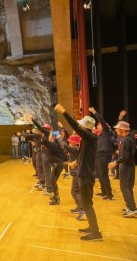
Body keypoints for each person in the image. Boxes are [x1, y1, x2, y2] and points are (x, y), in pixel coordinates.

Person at [54, 103, 102, 241]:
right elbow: (84, 155)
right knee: (87, 203)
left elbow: (74, 126)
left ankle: (96, 233)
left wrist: (64, 112)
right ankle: (91, 227)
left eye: (80, 126)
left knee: (87, 204)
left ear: (84, 127)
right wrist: (76, 162)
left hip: (86, 176)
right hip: (83, 174)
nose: (78, 128)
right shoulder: (87, 139)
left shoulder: (90, 137)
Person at [108, 121, 136, 217]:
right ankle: (132, 208)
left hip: (125, 166)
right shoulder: (131, 138)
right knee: (129, 187)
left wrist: (115, 162)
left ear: (123, 130)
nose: (116, 130)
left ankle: (131, 209)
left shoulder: (125, 140)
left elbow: (124, 156)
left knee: (124, 187)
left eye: (118, 128)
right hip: (131, 165)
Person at [89, 107, 115, 200]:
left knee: (103, 175)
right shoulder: (99, 136)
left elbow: (102, 121)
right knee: (100, 174)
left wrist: (94, 112)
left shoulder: (106, 132)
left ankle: (109, 194)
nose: (97, 126)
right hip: (98, 156)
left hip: (104, 156)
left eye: (99, 125)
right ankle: (104, 192)